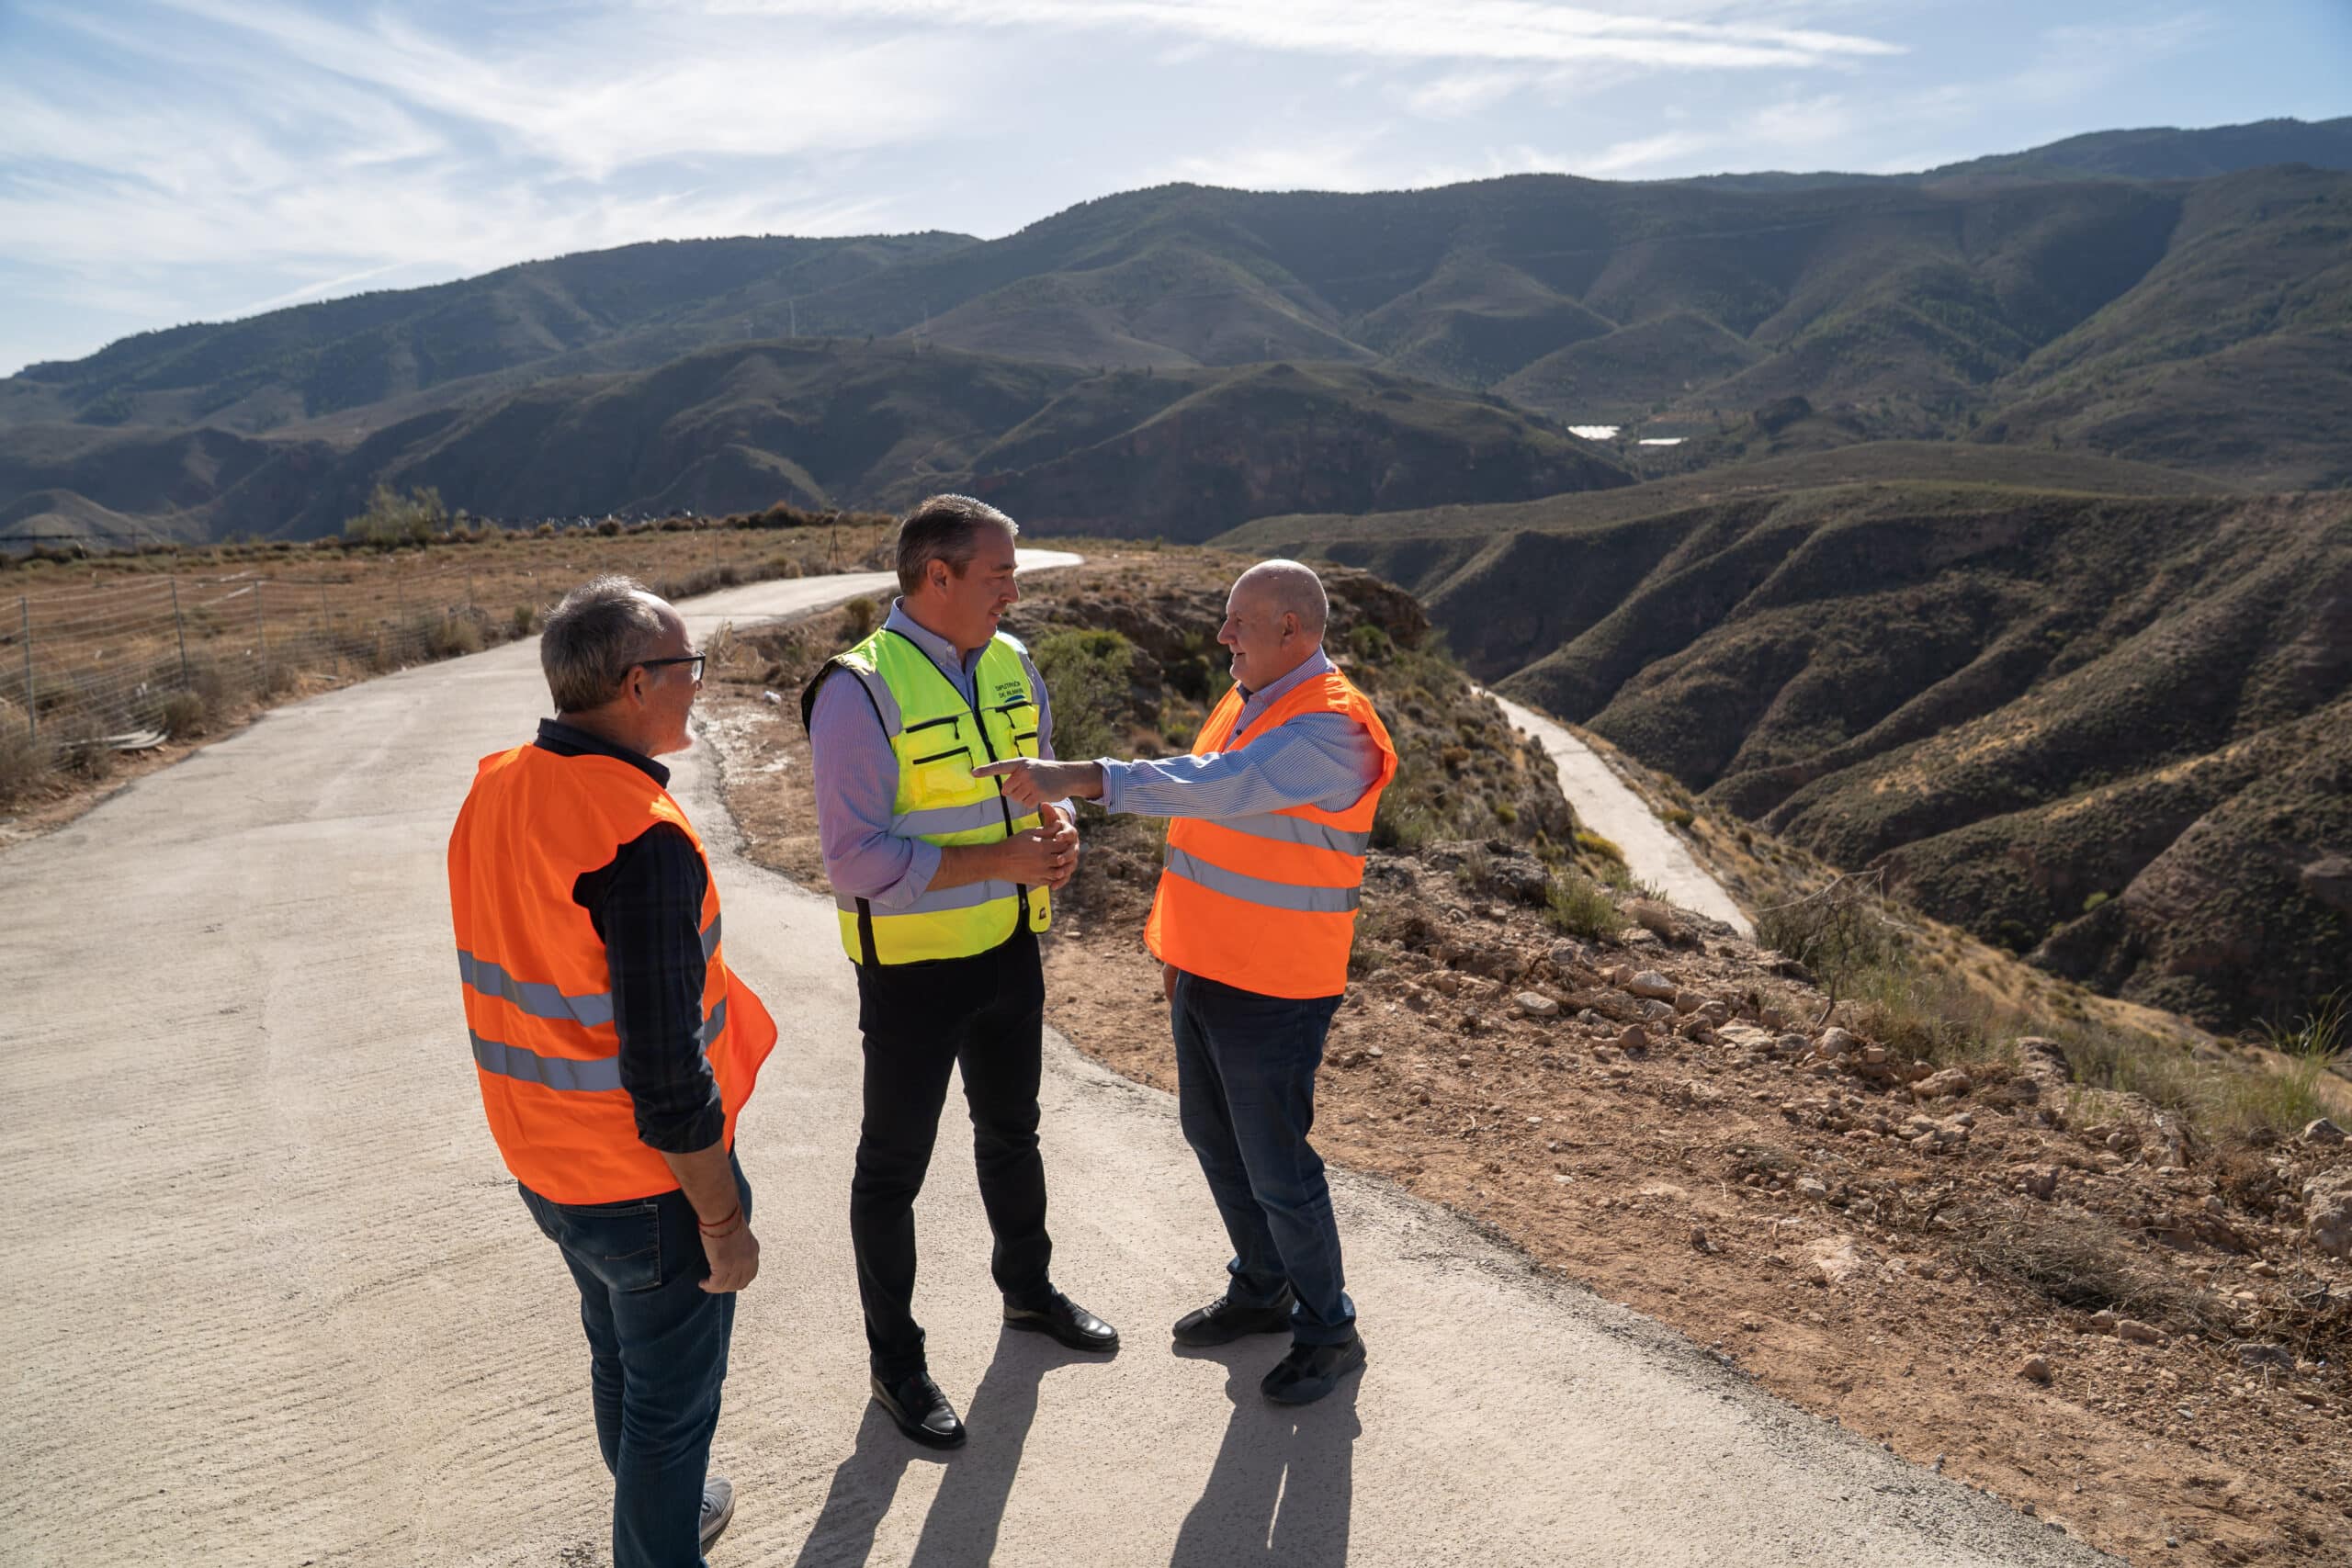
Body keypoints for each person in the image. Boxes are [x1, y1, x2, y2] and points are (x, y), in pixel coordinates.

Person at [976, 559, 1395, 1407]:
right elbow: (1214, 837)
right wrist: (1179, 955)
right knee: (1214, 1137)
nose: (1221, 634)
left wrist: (1083, 776)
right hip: (1210, 968)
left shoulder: (1332, 728)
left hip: (1277, 985)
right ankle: (1263, 1286)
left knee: (1276, 1162)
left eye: (1239, 620)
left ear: (1294, 631)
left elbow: (1216, 788)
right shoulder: (1253, 697)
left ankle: (1328, 1328)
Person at [447, 575, 777, 1565]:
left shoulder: (500, 782)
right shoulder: (637, 837)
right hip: (644, 1183)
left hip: (543, 1159)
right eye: (688, 668)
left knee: (621, 1361)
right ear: (638, 683)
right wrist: (722, 1221)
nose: (696, 686)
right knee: (672, 1413)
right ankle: (659, 1535)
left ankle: (664, 1511)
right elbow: (668, 1076)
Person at [801, 494, 1117, 1450]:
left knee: (1012, 1131)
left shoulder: (1014, 662)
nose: (1013, 591)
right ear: (934, 578)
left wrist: (1060, 832)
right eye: (998, 575)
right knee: (892, 1170)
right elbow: (854, 860)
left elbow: (1043, 781)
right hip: (912, 971)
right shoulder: (857, 690)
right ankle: (895, 1363)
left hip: (1010, 951)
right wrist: (1000, 864)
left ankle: (1027, 1294)